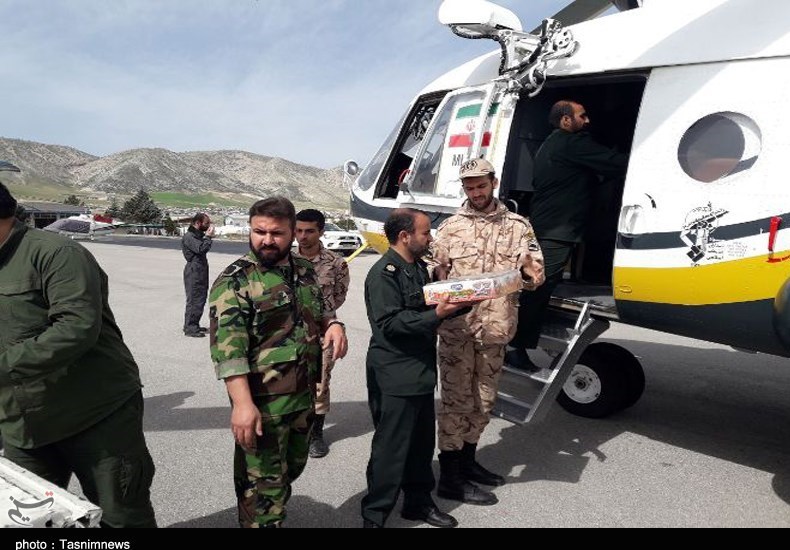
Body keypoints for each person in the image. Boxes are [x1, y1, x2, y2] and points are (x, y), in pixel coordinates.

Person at [0, 182, 156, 528]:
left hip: (94, 414)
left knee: (120, 517)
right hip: (23, 425)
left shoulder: (56, 254)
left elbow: (76, 327)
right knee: (28, 520)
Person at [209, 196, 348, 528]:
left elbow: (319, 311)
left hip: (303, 396)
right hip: (264, 404)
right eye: (259, 232)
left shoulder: (304, 270)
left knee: (290, 470)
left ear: (291, 233)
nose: (267, 240)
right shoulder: (236, 280)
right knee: (263, 490)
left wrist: (333, 324)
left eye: (276, 233)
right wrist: (242, 404)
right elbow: (229, 351)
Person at [431, 158, 545, 506]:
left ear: (493, 183)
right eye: (469, 187)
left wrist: (529, 273)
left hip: (496, 328)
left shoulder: (519, 226)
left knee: (484, 400)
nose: (476, 193)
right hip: (458, 330)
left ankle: (468, 461)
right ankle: (450, 477)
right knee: (455, 402)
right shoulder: (449, 228)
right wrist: (437, 276)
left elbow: (536, 275)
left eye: (481, 185)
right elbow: (434, 271)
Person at [361, 208, 469, 529]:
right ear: (405, 236)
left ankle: (418, 503)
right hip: (395, 374)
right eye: (425, 233)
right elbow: (390, 324)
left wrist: (461, 301)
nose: (430, 238)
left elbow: (428, 307)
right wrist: (438, 315)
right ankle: (374, 516)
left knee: (421, 446)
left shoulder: (418, 268)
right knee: (391, 451)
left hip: (420, 372)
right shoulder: (384, 274)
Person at [507, 100, 629, 370]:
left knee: (537, 284)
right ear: (565, 120)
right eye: (582, 116)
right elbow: (615, 163)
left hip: (550, 225)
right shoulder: (571, 143)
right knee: (537, 287)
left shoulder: (551, 143)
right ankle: (514, 348)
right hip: (556, 229)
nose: (587, 121)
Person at [294, 209, 350, 459]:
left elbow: (339, 296)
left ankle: (316, 434)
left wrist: (323, 315)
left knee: (320, 382)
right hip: (289, 330)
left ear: (321, 232)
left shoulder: (336, 263)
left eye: (309, 231)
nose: (302, 236)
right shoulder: (285, 259)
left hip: (322, 329)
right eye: (298, 230)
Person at [182, 212, 214, 337]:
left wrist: (206, 237)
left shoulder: (197, 236)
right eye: (206, 223)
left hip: (200, 270)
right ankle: (190, 328)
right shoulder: (190, 236)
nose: (208, 226)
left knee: (200, 298)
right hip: (194, 271)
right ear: (197, 223)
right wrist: (208, 237)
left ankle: (194, 324)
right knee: (194, 299)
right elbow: (201, 249)